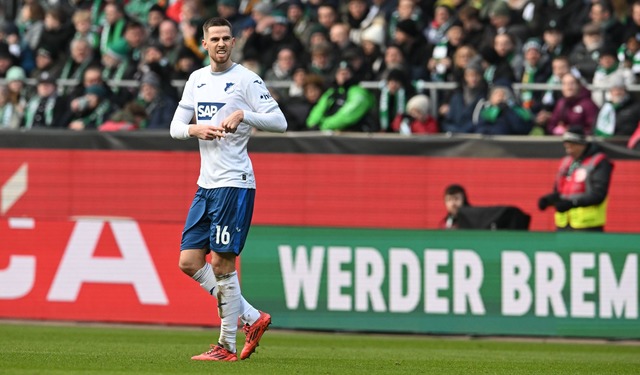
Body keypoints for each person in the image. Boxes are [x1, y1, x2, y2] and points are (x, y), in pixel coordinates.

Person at [169, 17, 286, 362]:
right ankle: (251, 317)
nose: (220, 44)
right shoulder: (197, 79)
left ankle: (227, 345)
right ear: (204, 43)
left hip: (234, 184)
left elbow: (280, 122)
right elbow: (175, 126)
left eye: (225, 38)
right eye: (214, 38)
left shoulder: (247, 80)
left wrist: (245, 115)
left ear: (233, 42)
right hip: (205, 185)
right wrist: (196, 130)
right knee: (189, 261)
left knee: (222, 264)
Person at [538, 126, 614, 232]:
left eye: (571, 146)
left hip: (588, 225)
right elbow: (561, 191)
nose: (568, 150)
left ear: (581, 144)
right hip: (564, 224)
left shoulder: (598, 161)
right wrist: (549, 199)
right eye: (566, 146)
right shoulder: (566, 162)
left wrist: (572, 203)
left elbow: (598, 194)